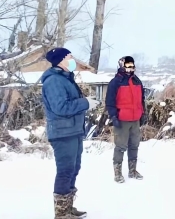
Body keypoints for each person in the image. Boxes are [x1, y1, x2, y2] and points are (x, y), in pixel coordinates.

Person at [41, 47, 99, 218]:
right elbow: (60, 107)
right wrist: (85, 103)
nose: (73, 59)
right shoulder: (54, 81)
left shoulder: (65, 78)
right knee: (65, 170)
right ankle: (61, 213)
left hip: (72, 131)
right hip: (62, 133)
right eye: (70, 57)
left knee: (73, 169)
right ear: (60, 61)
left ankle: (67, 208)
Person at [105, 56, 147, 183]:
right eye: (128, 66)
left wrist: (143, 114)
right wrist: (113, 116)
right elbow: (109, 102)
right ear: (122, 65)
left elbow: (141, 100)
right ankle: (117, 173)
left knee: (134, 145)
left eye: (132, 66)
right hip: (122, 119)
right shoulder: (116, 82)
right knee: (120, 146)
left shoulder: (137, 81)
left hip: (135, 119)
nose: (130, 68)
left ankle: (132, 170)